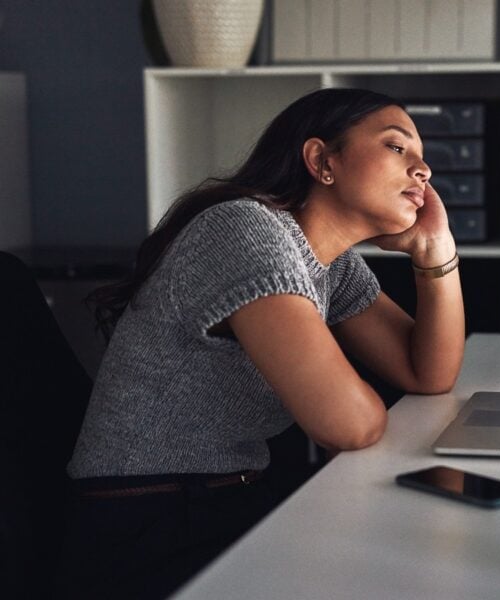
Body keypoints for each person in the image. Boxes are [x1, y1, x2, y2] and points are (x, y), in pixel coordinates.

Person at [55, 87, 465, 598]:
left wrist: (436, 250)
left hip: (223, 498)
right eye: (397, 147)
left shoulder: (330, 263)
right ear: (322, 161)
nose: (423, 169)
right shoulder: (244, 230)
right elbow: (349, 425)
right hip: (145, 525)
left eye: (421, 156)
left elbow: (428, 373)